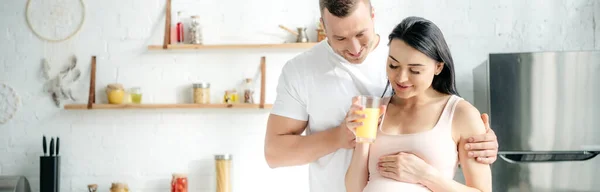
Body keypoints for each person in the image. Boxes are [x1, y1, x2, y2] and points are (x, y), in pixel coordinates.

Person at [264, 1, 498, 192]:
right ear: (323, 27)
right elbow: (274, 154)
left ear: (373, 14)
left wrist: (480, 138)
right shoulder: (301, 70)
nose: (355, 48)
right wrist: (342, 136)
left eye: (361, 34)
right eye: (340, 38)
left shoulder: (401, 46)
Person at [345, 16, 492, 192]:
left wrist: (426, 175)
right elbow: (354, 189)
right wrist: (362, 138)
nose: (401, 78)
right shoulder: (375, 111)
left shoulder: (460, 114)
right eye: (393, 65)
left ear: (438, 67)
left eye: (415, 70)